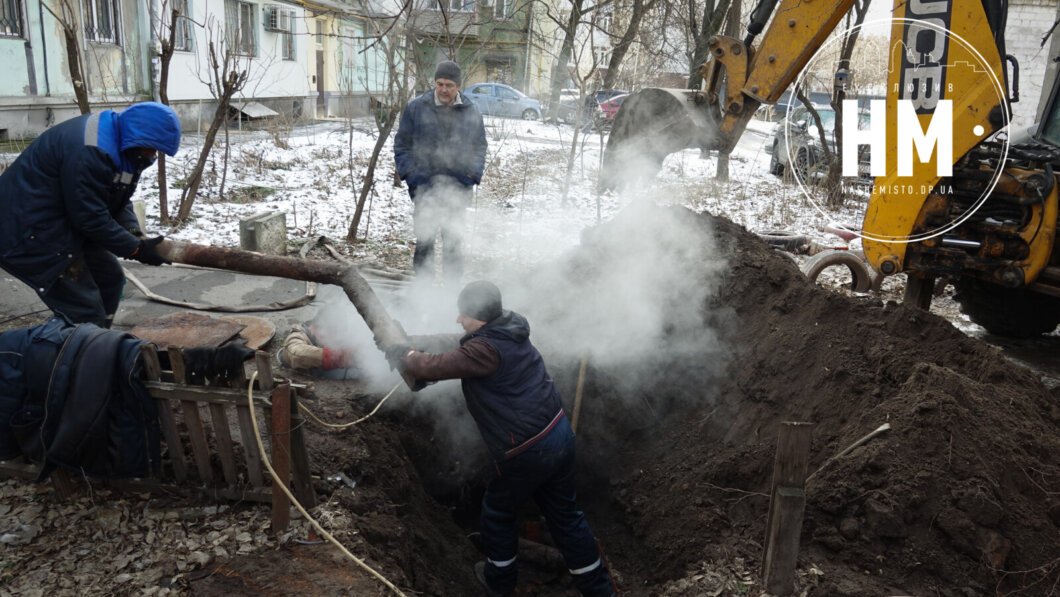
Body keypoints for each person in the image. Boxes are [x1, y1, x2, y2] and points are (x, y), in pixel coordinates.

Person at [386, 281, 615, 597]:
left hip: (528, 451)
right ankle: (600, 590)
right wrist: (412, 343)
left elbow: (434, 366)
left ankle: (499, 582)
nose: (457, 319)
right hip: (559, 435)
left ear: (478, 317)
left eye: (462, 314)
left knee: (497, 512)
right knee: (566, 517)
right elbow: (457, 343)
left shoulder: (484, 350)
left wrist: (407, 356)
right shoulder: (508, 329)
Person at [0, 101, 182, 328]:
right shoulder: (92, 150)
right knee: (84, 310)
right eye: (152, 148)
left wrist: (132, 231)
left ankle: (99, 342)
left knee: (110, 279)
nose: (153, 154)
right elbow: (90, 218)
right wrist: (136, 249)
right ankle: (77, 354)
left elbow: (115, 196)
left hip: (65, 221)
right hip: (31, 230)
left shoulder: (122, 145)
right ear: (138, 137)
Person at [393, 60, 487, 282]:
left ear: (458, 87)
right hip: (425, 189)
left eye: (449, 85)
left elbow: (479, 147)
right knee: (424, 242)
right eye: (440, 84)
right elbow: (401, 146)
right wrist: (412, 177)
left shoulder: (471, 110)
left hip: (458, 189)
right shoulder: (416, 108)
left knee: (453, 244)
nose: (443, 90)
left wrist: (472, 176)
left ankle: (452, 296)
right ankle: (423, 293)